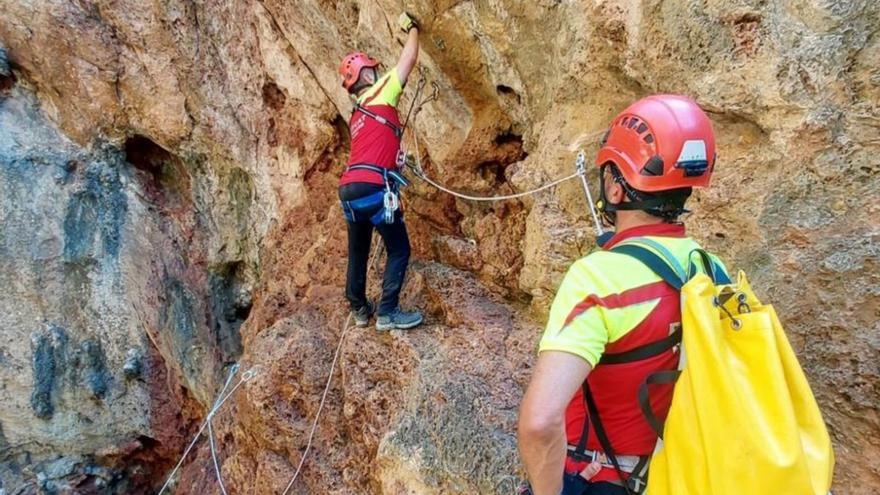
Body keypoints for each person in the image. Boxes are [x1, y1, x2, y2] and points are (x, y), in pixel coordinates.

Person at [517, 95, 726, 495]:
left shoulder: (597, 279)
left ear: (615, 187)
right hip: (672, 476)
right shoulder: (710, 269)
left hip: (598, 478)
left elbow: (540, 422)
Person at [337, 12, 424, 331]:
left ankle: (359, 309)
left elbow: (372, 148)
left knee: (358, 250)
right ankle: (387, 313)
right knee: (399, 248)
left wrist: (393, 162)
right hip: (373, 187)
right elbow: (409, 58)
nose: (378, 70)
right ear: (368, 75)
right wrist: (414, 28)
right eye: (373, 68)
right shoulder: (383, 90)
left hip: (350, 190)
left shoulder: (356, 114)